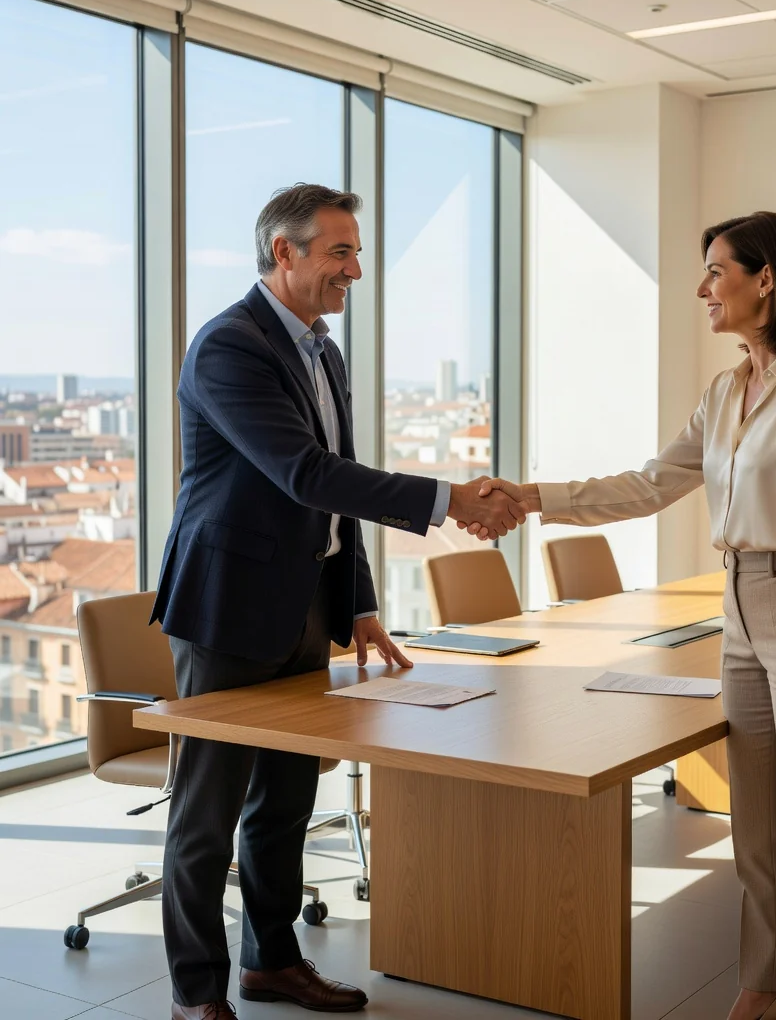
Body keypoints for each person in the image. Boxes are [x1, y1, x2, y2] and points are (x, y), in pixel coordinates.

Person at [471, 212, 776, 1020]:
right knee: (755, 831)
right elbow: (652, 483)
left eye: (717, 271)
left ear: (768, 279)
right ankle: (766, 989)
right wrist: (535, 496)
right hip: (738, 609)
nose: (702, 289)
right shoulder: (727, 391)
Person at [151, 183, 526, 1019]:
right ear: (282, 253)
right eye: (338, 252)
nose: (355, 269)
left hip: (306, 609)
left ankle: (271, 963)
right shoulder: (229, 347)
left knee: (285, 802)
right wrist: (449, 500)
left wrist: (355, 601)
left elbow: (335, 492)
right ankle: (194, 995)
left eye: (356, 251)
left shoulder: (322, 349)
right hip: (226, 610)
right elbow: (305, 473)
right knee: (207, 818)